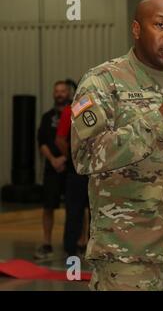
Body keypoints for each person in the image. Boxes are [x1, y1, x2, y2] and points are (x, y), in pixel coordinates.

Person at [70, 0, 163, 291]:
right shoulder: (101, 82)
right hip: (126, 256)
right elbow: (84, 156)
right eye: (160, 24)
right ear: (136, 29)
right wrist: (159, 120)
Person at [34, 81, 71, 259]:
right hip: (52, 168)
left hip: (71, 168)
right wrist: (53, 160)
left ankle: (80, 243)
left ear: (69, 93)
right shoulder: (47, 117)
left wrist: (66, 157)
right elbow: (41, 142)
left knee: (78, 207)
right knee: (48, 206)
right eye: (56, 91)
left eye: (62, 91)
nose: (59, 94)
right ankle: (47, 243)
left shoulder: (75, 114)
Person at [56, 104, 90, 258]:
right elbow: (60, 139)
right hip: (78, 170)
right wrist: (74, 158)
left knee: (97, 212)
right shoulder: (71, 110)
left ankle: (93, 247)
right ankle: (71, 249)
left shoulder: (105, 106)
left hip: (97, 170)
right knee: (74, 211)